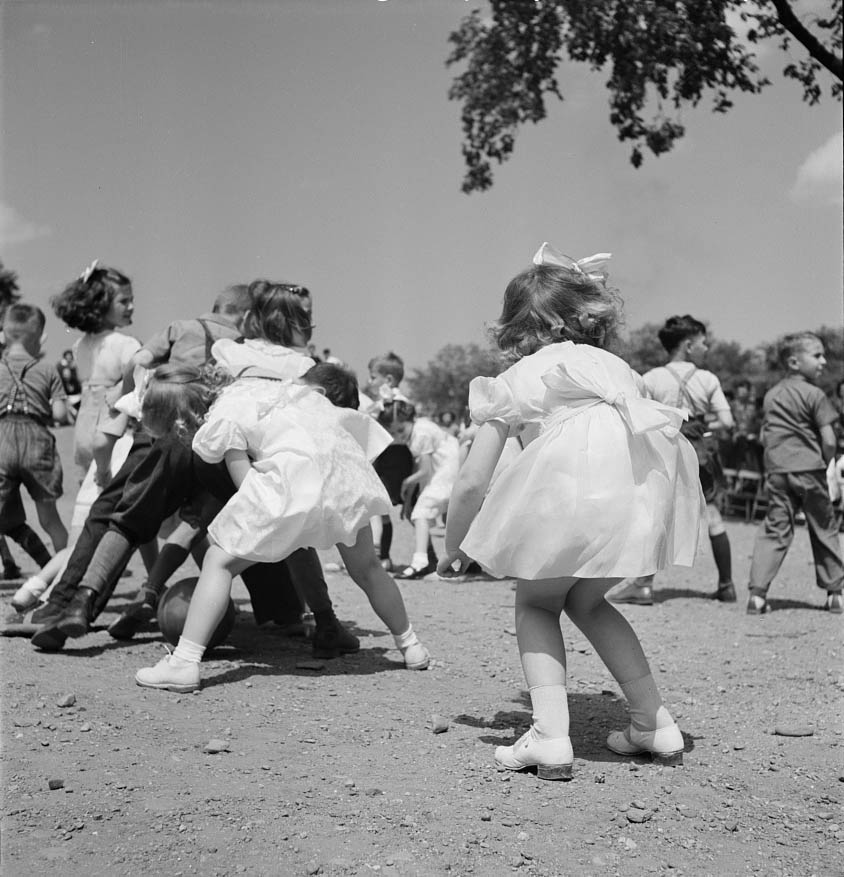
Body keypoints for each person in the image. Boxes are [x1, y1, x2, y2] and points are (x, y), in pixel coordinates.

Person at [438, 243, 702, 778]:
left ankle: (549, 736)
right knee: (590, 603)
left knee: (537, 604)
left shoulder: (519, 377)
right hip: (631, 505)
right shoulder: (620, 370)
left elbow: (471, 479)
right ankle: (655, 723)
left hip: (564, 504)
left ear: (517, 327)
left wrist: (454, 547)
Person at [135, 281, 429, 692]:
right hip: (346, 476)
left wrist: (265, 525)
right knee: (367, 567)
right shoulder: (306, 393)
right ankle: (411, 646)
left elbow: (244, 481)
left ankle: (183, 663)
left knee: (220, 561)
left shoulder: (235, 398)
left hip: (289, 479)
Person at [610, 314, 735, 605]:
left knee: (657, 515)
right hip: (703, 454)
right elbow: (727, 422)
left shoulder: (651, 378)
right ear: (689, 345)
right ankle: (727, 585)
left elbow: (639, 416)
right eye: (705, 343)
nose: (708, 348)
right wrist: (701, 428)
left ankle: (643, 586)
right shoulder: (707, 379)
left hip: (665, 451)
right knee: (713, 514)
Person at [746, 333, 843, 615]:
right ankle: (834, 593)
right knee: (823, 527)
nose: (823, 361)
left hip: (778, 470)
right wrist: (825, 461)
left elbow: (766, 434)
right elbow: (828, 439)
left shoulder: (773, 395)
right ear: (794, 361)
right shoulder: (815, 394)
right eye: (817, 355)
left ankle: (757, 595)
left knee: (775, 528)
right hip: (809, 470)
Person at [51, 260, 141, 485]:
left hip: (84, 428)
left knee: (88, 491)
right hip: (113, 425)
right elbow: (140, 382)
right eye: (124, 301)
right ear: (100, 305)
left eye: (131, 301)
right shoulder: (126, 344)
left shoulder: (79, 346)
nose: (131, 306)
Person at [0, 304, 69, 560]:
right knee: (50, 518)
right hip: (38, 440)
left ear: (3, 334)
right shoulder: (48, 369)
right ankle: (65, 574)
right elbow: (61, 414)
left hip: (1, 438)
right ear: (40, 335)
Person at [378, 400, 459, 580]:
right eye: (393, 433)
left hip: (446, 471)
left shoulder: (420, 433)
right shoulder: (417, 431)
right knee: (418, 512)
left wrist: (406, 483)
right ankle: (430, 560)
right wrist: (407, 502)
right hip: (441, 471)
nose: (398, 436)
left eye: (400, 430)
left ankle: (420, 561)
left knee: (421, 513)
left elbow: (424, 470)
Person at [361, 351, 415, 571]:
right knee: (379, 509)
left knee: (382, 506)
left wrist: (385, 405)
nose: (369, 382)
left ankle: (377, 553)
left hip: (396, 457)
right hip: (383, 457)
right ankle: (383, 556)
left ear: (389, 380)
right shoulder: (380, 404)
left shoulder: (401, 405)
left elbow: (398, 427)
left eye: (373, 377)